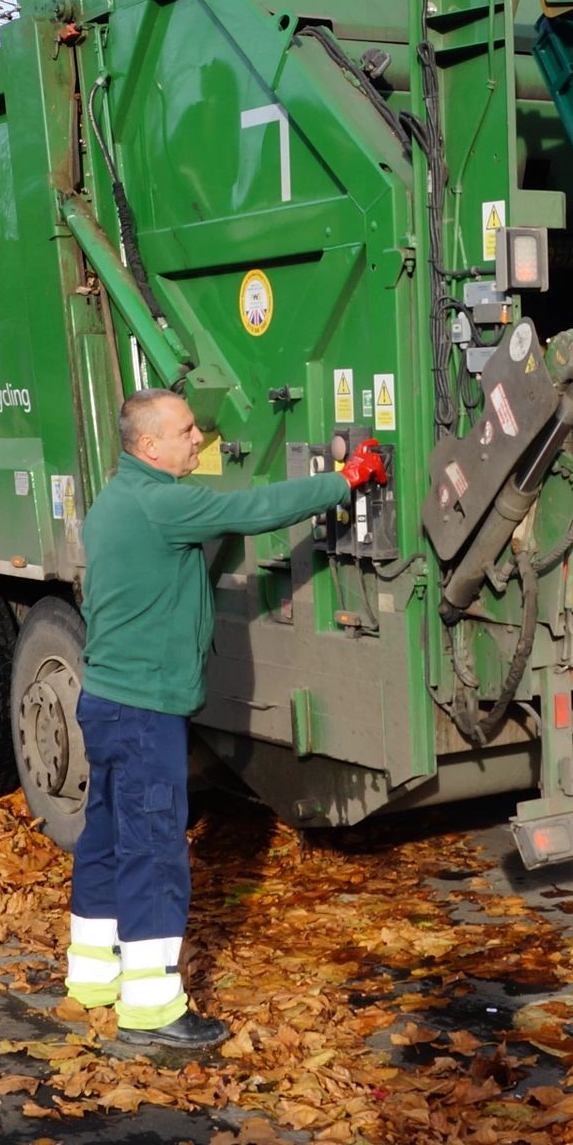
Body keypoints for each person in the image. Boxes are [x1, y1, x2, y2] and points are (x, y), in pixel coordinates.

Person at [64, 387, 387, 1055]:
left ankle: (91, 979)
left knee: (105, 834)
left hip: (104, 698)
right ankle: (152, 1010)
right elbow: (254, 509)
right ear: (149, 445)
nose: (198, 441)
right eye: (185, 432)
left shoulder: (116, 500)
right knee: (154, 852)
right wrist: (345, 479)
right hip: (145, 707)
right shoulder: (165, 503)